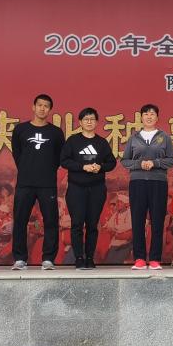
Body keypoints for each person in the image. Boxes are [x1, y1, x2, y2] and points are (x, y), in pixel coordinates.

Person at [11, 93, 64, 270]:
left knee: (50, 221)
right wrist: (27, 168)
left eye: (46, 106)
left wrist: (46, 169)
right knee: (20, 220)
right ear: (33, 107)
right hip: (25, 182)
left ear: (50, 110)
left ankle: (48, 258)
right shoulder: (21, 130)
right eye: (39, 105)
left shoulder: (56, 132)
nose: (42, 108)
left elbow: (59, 157)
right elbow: (17, 153)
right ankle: (20, 259)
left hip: (47, 183)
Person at [121, 103, 173, 269]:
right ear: (141, 117)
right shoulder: (134, 138)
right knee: (138, 220)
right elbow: (125, 160)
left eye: (152, 114)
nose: (149, 116)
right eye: (146, 114)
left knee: (157, 220)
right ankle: (139, 258)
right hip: (137, 183)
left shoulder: (164, 137)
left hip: (158, 182)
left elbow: (172, 159)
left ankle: (154, 259)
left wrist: (155, 163)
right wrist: (139, 164)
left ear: (157, 117)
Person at [60, 107, 117, 270]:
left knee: (92, 225)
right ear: (80, 122)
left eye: (92, 119)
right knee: (77, 224)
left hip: (96, 189)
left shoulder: (101, 142)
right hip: (76, 188)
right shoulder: (73, 141)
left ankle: (90, 257)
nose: (89, 122)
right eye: (86, 119)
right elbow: (64, 161)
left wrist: (100, 167)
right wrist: (82, 167)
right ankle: (79, 258)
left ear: (97, 122)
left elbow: (111, 162)